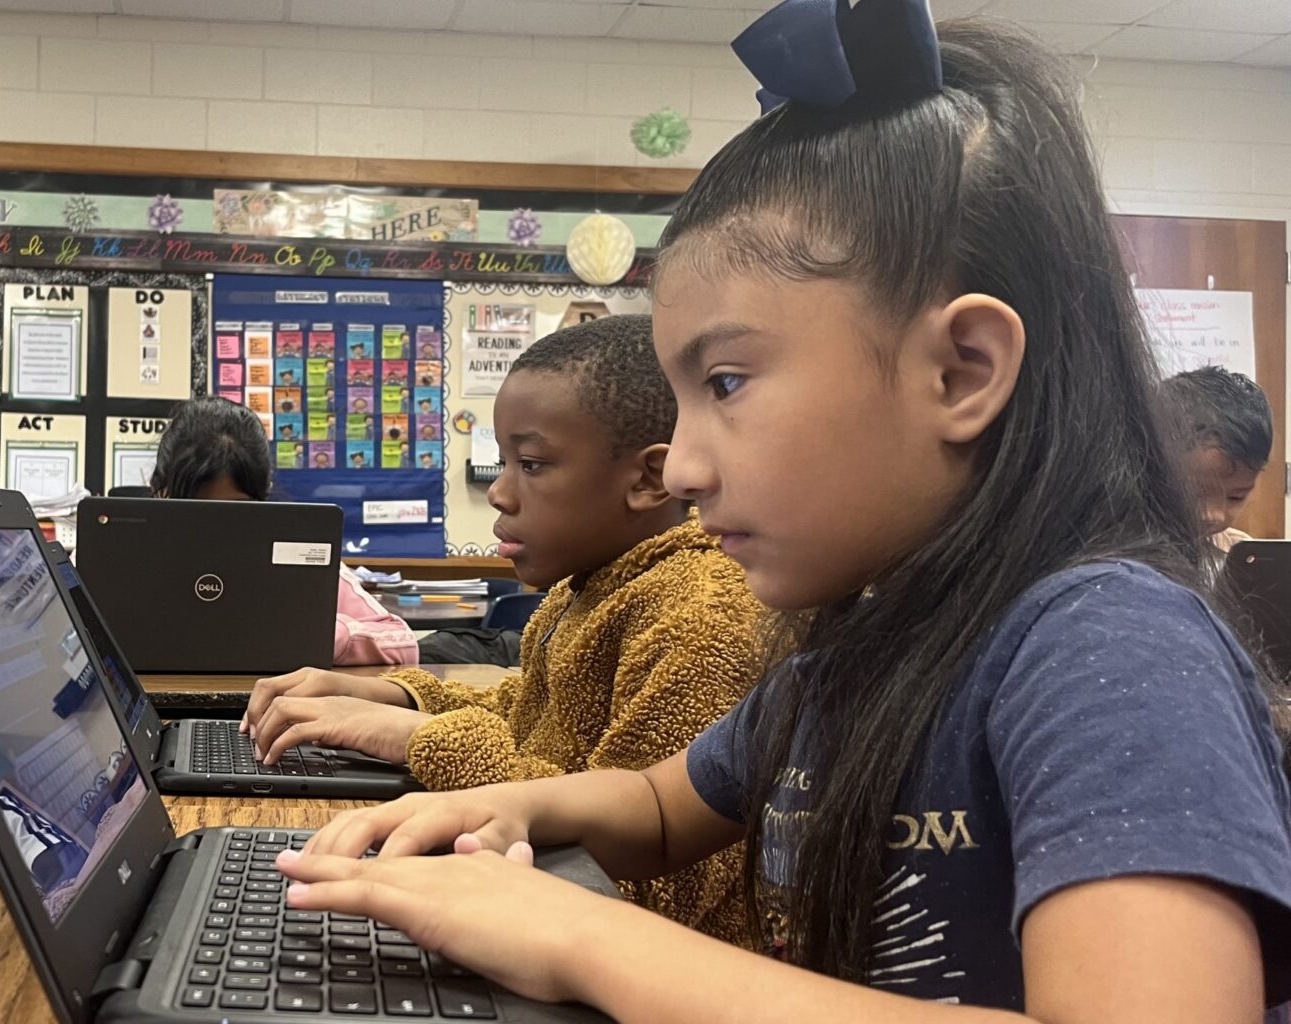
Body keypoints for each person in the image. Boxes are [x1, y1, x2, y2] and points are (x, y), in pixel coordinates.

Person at [273, 9, 1291, 1020]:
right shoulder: (850, 650)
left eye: (725, 382)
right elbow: (660, 805)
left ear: (961, 370)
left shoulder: (1109, 648)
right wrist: (505, 806)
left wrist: (579, 937)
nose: (685, 469)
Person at [244, 315, 768, 941]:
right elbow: (525, 713)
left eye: (532, 464)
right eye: (502, 463)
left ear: (648, 480)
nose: (498, 492)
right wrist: (391, 696)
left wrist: (423, 738)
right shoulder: (588, 588)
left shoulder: (701, 616)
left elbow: (648, 889)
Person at [151, 396, 416, 666]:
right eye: (195, 509)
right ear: (160, 492)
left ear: (263, 498)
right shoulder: (130, 549)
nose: (215, 530)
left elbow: (403, 642)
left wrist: (313, 634)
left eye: (236, 510)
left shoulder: (295, 550)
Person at [1160, 365, 1274, 552]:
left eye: (1235, 497)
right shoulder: (1120, 554)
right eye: (1194, 494)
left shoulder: (1235, 550)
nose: (1214, 515)